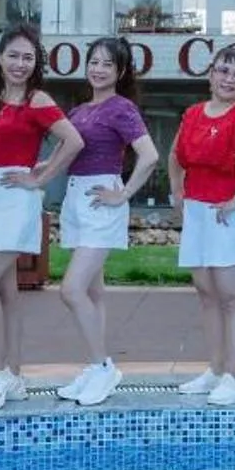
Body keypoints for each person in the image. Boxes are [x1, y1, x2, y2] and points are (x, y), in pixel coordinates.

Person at [0, 24, 84, 412]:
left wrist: (41, 178)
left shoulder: (37, 100)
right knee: (5, 293)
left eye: (27, 58)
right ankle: (14, 376)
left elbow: (73, 141)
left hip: (17, 200)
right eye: (13, 55)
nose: (19, 63)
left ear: (36, 64)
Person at [52, 37, 158, 406]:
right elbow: (65, 153)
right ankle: (96, 366)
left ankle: (102, 366)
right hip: (76, 199)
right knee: (93, 292)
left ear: (121, 71)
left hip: (102, 201)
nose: (97, 69)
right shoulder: (79, 110)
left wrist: (124, 193)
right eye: (93, 62)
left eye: (107, 64)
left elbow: (149, 155)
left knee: (71, 290)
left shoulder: (121, 108)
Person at [169, 42, 235, 405]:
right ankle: (213, 370)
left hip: (228, 215)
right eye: (223, 70)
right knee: (207, 295)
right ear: (211, 75)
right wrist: (177, 194)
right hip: (198, 213)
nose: (229, 78)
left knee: (231, 298)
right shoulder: (193, 113)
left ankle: (233, 377)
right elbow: (175, 156)